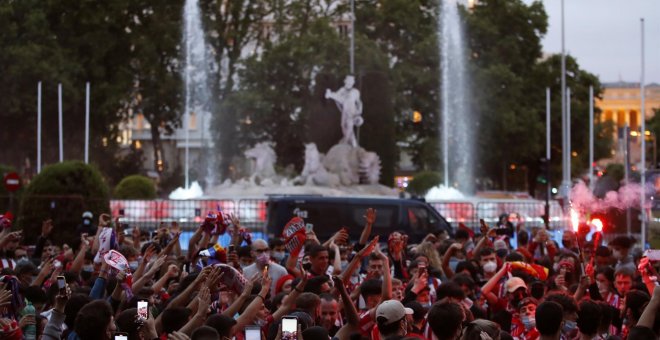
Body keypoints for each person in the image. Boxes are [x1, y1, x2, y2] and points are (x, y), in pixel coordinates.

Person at [325, 75, 363, 147]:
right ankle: (352, 142)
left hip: (352, 110)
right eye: (348, 81)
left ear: (353, 83)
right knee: (342, 125)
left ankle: (346, 141)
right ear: (345, 81)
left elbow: (359, 102)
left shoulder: (355, 91)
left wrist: (360, 111)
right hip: (344, 110)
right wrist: (332, 95)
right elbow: (337, 98)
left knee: (349, 125)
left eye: (351, 81)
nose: (349, 83)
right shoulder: (342, 90)